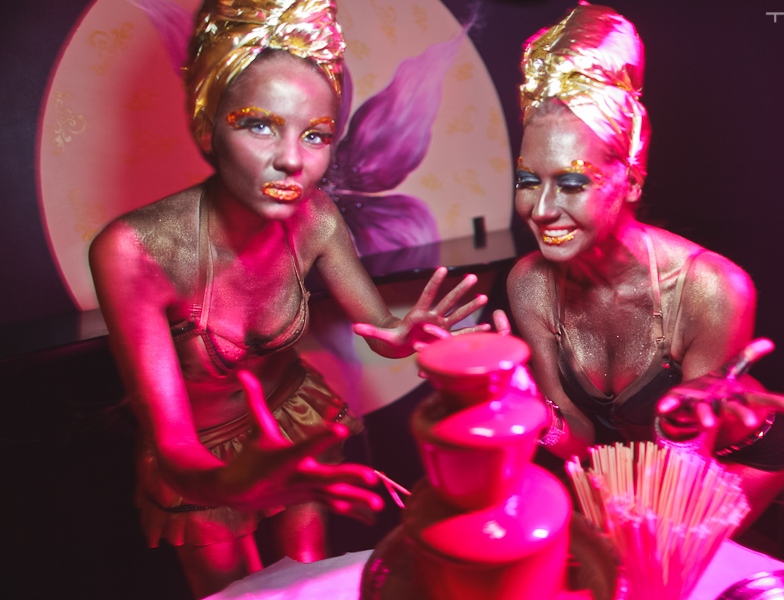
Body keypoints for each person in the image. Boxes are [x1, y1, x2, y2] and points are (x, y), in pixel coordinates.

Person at [89, 0, 488, 596]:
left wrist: (401, 335)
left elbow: (377, 326)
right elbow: (173, 447)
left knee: (307, 581)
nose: (293, 159)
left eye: (316, 135)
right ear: (206, 126)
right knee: (233, 592)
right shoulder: (134, 251)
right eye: (259, 125)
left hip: (292, 420)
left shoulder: (317, 217)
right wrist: (233, 484)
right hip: (200, 459)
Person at [505, 2, 784, 529]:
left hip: (730, 462)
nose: (542, 209)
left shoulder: (712, 288)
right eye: (529, 180)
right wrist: (536, 415)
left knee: (662, 563)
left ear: (632, 183)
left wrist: (682, 426)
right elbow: (581, 441)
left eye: (571, 183)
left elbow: (687, 463)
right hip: (641, 462)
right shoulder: (530, 284)